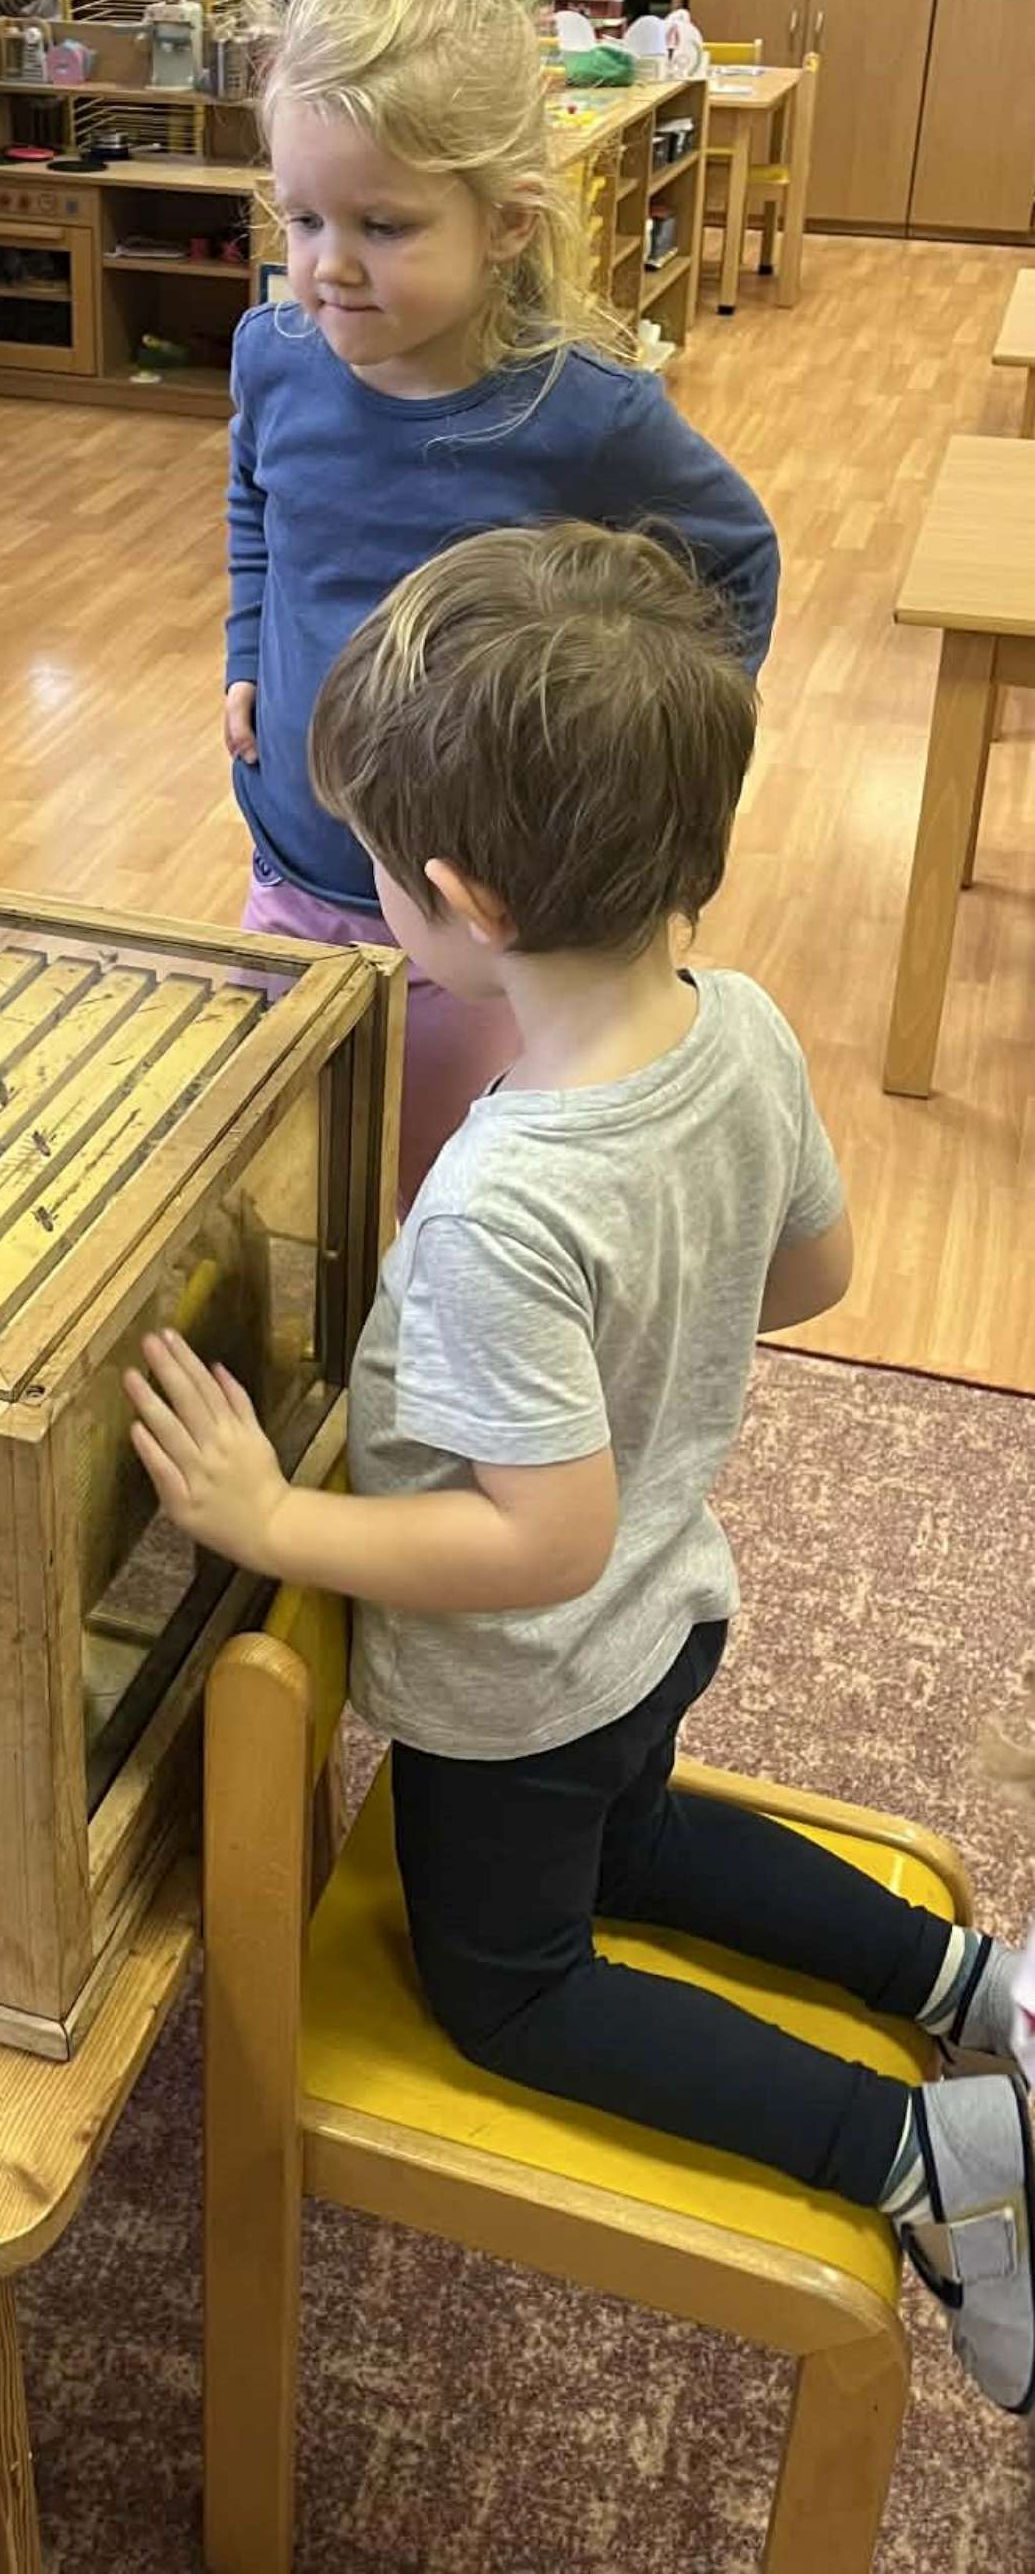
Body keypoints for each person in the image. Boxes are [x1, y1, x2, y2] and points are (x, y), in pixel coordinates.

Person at [132, 522, 1035, 2414]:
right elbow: (809, 1276)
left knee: (516, 1983)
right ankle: (985, 1994)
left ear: (453, 901)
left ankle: (919, 2157)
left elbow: (535, 1541)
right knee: (642, 1835)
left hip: (522, 1690)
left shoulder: (504, 1202)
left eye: (378, 873)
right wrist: (657, 1319)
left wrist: (268, 1517)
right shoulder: (741, 1025)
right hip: (662, 1621)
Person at [227, 0, 780, 1200]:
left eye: (382, 226)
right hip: (293, 861)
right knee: (288, 1174)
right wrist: (245, 647)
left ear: (507, 223)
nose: (327, 266)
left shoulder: (580, 411)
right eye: (302, 220)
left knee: (437, 1189)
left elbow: (736, 557)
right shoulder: (273, 353)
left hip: (475, 919)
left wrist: (646, 754)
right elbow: (252, 496)